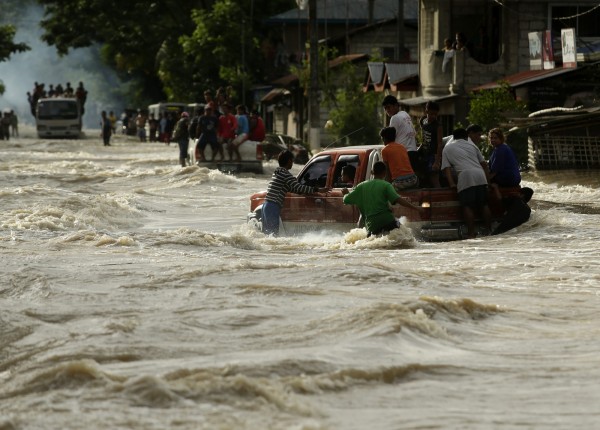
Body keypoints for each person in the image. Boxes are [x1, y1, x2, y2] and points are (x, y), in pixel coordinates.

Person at [342, 161, 423, 236]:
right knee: (403, 235)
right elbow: (398, 200)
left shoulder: (361, 186)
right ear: (384, 173)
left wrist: (345, 194)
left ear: (371, 172)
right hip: (387, 221)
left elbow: (346, 200)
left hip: (372, 225)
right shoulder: (386, 185)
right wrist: (415, 208)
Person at [262, 150, 328, 235]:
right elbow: (298, 187)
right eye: (292, 161)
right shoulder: (285, 174)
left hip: (266, 205)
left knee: (267, 235)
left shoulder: (277, 172)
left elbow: (292, 188)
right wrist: (317, 189)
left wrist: (305, 190)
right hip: (273, 206)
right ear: (289, 161)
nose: (292, 163)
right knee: (272, 235)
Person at [441, 128, 491, 239]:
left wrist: (452, 183)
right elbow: (484, 165)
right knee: (484, 204)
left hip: (465, 176)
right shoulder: (473, 146)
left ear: (453, 137)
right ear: (465, 137)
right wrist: (488, 182)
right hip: (480, 175)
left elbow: (447, 168)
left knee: (467, 206)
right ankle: (488, 231)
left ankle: (471, 233)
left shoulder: (447, 148)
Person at [381, 95, 419, 173]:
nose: (387, 110)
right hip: (414, 152)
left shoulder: (394, 118)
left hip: (404, 154)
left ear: (396, 105)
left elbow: (389, 139)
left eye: (388, 107)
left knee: (401, 179)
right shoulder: (405, 114)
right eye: (385, 108)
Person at [380, 126, 418, 190]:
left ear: (384, 138)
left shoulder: (385, 150)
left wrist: (387, 186)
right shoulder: (402, 147)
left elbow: (387, 171)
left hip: (399, 182)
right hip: (413, 180)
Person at [419, 101, 444, 187]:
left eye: (436, 114)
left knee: (434, 178)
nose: (434, 116)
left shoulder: (438, 126)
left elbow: (440, 144)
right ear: (426, 111)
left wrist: (437, 162)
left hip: (434, 155)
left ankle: (440, 197)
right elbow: (424, 139)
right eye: (431, 114)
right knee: (426, 178)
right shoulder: (423, 122)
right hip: (425, 154)